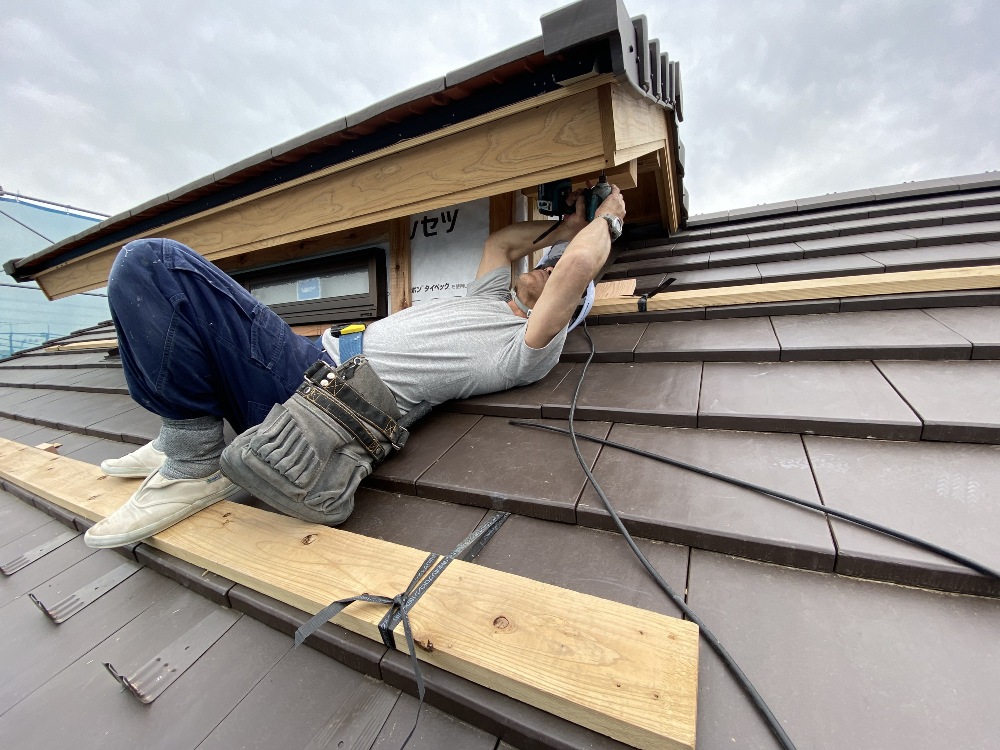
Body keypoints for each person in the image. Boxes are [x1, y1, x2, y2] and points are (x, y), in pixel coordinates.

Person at [84, 185, 626, 548]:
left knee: (152, 264)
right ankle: (181, 433)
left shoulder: (526, 345)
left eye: (559, 275)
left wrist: (606, 223)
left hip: (314, 390)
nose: (553, 265)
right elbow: (501, 242)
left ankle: (192, 461)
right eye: (550, 260)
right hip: (311, 361)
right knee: (178, 309)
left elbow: (578, 266)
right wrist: (565, 225)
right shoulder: (492, 300)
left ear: (567, 307)